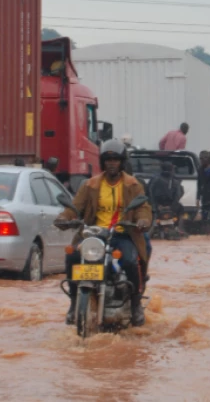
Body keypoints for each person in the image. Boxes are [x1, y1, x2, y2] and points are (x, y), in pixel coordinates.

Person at [55, 139, 151, 326]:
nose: (111, 163)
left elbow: (143, 208)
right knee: (72, 256)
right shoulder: (89, 185)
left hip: (121, 234)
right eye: (108, 160)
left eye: (115, 160)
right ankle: (73, 302)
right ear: (102, 162)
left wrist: (143, 221)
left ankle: (135, 304)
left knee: (130, 261)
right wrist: (64, 218)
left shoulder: (133, 185)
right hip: (94, 235)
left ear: (122, 162)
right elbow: (75, 207)